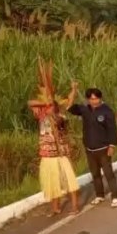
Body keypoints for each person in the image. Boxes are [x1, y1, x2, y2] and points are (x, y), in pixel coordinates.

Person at [28, 67, 80, 216]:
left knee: (69, 181)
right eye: (48, 106)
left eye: (52, 106)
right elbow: (30, 103)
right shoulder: (41, 115)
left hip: (61, 154)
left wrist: (74, 90)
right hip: (47, 155)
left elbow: (69, 101)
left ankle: (75, 206)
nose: (49, 108)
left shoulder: (61, 116)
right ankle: (55, 208)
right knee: (52, 183)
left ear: (56, 106)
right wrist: (46, 101)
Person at [67, 84, 117, 207]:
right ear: (88, 99)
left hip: (103, 149)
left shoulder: (107, 111)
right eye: (91, 99)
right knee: (95, 174)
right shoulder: (85, 109)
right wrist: (74, 90)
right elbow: (69, 106)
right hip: (90, 149)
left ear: (100, 98)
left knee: (108, 174)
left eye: (96, 98)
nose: (93, 101)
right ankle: (100, 195)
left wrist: (112, 146)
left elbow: (112, 130)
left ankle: (115, 196)